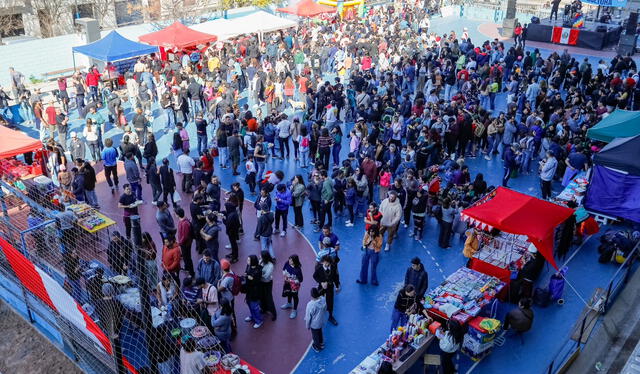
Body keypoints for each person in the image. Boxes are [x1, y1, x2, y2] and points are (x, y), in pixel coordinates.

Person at [313, 255, 340, 326]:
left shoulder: (333, 267)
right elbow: (315, 276)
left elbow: (336, 277)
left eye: (327, 262)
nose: (325, 264)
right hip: (321, 287)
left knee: (330, 302)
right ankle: (318, 315)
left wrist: (337, 286)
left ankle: (330, 316)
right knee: (318, 301)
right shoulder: (319, 268)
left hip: (330, 287)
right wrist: (321, 282)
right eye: (324, 262)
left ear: (330, 263)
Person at [305, 287, 327, 353]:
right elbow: (325, 308)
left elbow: (308, 317)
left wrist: (307, 325)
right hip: (321, 321)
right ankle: (321, 343)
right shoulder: (323, 299)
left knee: (315, 335)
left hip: (314, 324)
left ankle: (317, 347)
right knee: (320, 332)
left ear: (311, 296)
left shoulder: (310, 305)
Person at [244, 254, 264, 328]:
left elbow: (257, 281)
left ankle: (259, 320)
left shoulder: (258, 270)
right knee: (249, 304)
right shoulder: (248, 266)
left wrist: (251, 278)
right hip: (249, 290)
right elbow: (246, 272)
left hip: (255, 292)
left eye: (249, 260)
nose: (247, 261)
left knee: (254, 306)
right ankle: (253, 316)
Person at [282, 254, 304, 319]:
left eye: (291, 260)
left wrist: (292, 281)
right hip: (287, 282)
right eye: (289, 259)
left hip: (294, 285)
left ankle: (294, 310)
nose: (289, 261)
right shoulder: (287, 263)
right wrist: (285, 275)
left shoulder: (298, 269)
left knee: (295, 296)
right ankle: (289, 303)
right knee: (288, 293)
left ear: (295, 261)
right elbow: (283, 269)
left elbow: (301, 279)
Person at [176, 207, 195, 276]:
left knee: (187, 258)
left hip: (185, 244)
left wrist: (179, 243)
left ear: (178, 214)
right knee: (185, 257)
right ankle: (187, 268)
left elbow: (185, 236)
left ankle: (191, 273)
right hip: (184, 243)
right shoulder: (183, 221)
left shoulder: (184, 224)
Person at [259, 251, 277, 321]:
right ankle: (264, 309)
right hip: (261, 282)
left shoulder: (270, 265)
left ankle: (274, 313)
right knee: (262, 296)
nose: (260, 257)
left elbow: (266, 276)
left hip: (267, 283)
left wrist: (257, 275)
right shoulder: (261, 261)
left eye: (261, 256)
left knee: (269, 298)